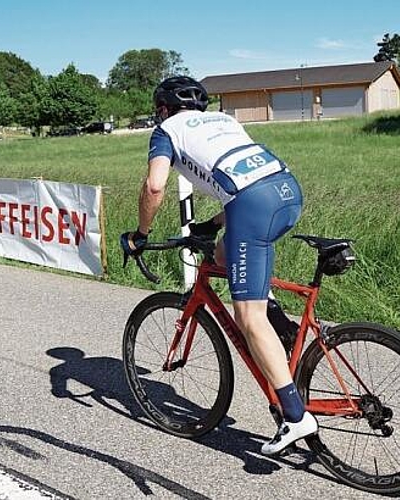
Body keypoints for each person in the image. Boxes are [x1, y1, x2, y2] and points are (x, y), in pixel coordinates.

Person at [120, 76, 315, 455]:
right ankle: (281, 325)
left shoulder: (166, 130)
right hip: (288, 191)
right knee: (225, 255)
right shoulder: (225, 121)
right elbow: (241, 178)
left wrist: (141, 234)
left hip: (252, 206)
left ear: (162, 108)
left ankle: (295, 416)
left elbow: (155, 186)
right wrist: (211, 225)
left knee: (248, 317)